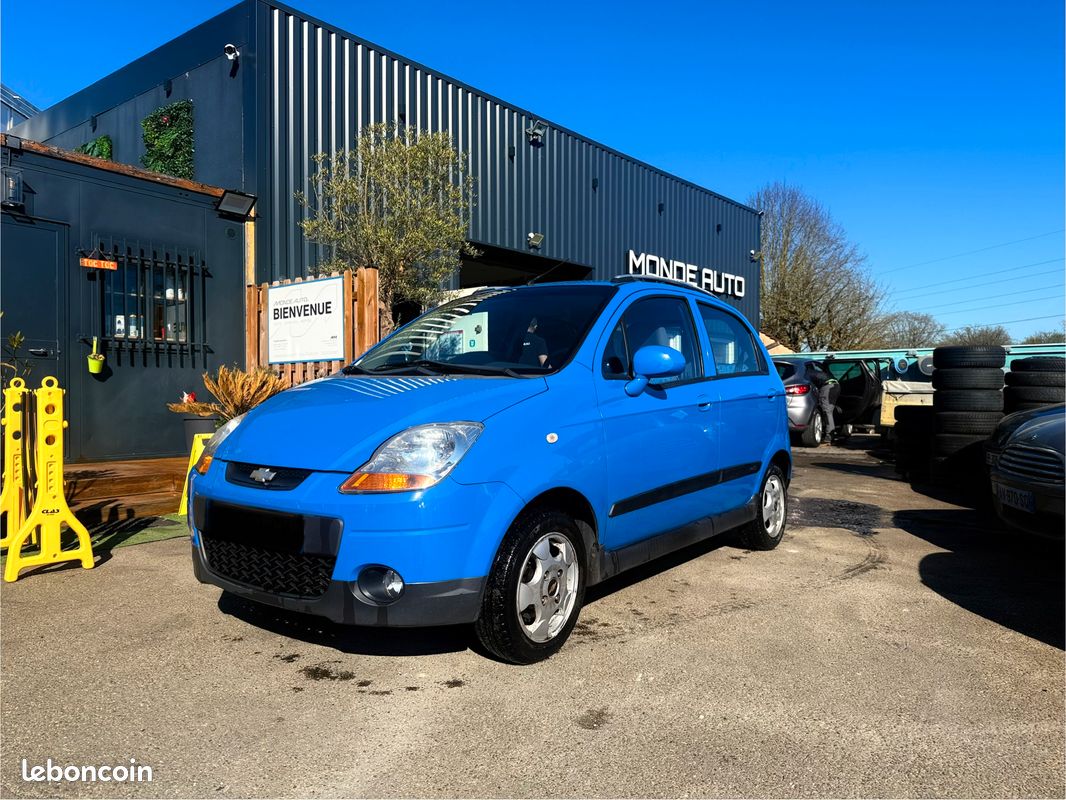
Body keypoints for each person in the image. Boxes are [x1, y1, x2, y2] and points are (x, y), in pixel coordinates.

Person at [809, 364, 840, 443]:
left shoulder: (807, 373)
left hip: (828, 387)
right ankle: (832, 431)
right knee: (829, 410)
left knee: (827, 411)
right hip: (836, 385)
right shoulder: (821, 371)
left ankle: (829, 435)